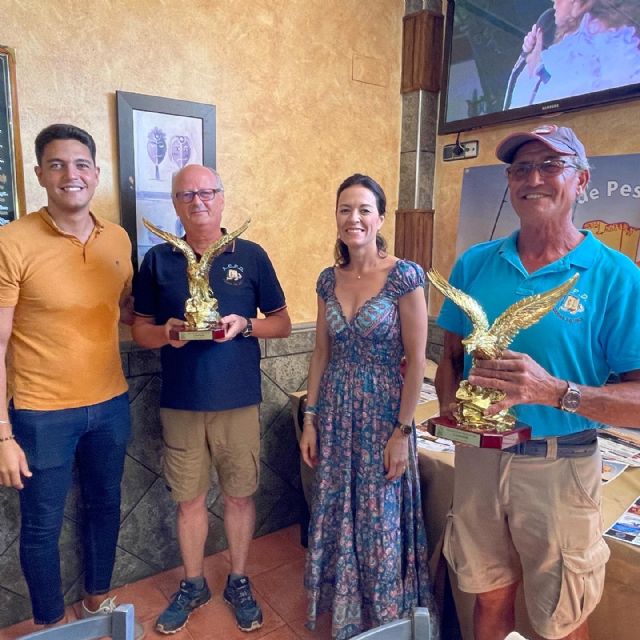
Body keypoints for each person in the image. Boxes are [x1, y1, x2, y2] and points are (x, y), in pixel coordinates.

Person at [435, 123, 640, 640]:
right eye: (521, 168)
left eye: (551, 165)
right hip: (480, 461)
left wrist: (554, 391)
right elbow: (451, 358)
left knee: (561, 618)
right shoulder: (475, 263)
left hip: (560, 466)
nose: (534, 178)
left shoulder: (616, 275)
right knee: (488, 597)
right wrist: (456, 418)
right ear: (509, 182)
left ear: (581, 180)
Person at [131, 164, 291, 635]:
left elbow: (282, 323)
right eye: (186, 195)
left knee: (240, 497)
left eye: (206, 192)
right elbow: (140, 330)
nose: (197, 201)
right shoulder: (158, 259)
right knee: (189, 501)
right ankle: (194, 583)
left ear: (221, 198)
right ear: (175, 203)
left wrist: (246, 324)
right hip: (181, 402)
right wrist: (166, 332)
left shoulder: (251, 255)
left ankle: (239, 580)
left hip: (237, 399)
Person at [0, 124, 142, 636]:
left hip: (111, 404)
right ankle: (52, 626)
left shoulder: (118, 239)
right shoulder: (12, 241)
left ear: (96, 173)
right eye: (57, 164)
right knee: (41, 525)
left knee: (105, 506)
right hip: (40, 413)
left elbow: (124, 310)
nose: (70, 174)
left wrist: (179, 324)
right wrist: (3, 434)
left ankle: (95, 605)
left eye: (81, 164)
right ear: (40, 174)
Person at [300, 174, 436, 639]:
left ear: (380, 218)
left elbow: (417, 360)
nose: (353, 218)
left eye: (363, 209)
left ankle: (385, 623)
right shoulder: (327, 279)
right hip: (336, 413)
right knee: (339, 512)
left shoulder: (404, 276)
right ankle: (346, 615)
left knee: (380, 520)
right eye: (345, 209)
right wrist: (310, 419)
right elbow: (321, 352)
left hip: (383, 417)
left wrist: (402, 431)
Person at [509, 0, 640, 108]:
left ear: (579, 3)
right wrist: (532, 68)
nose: (554, 1)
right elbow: (518, 114)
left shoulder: (614, 42)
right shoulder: (545, 61)